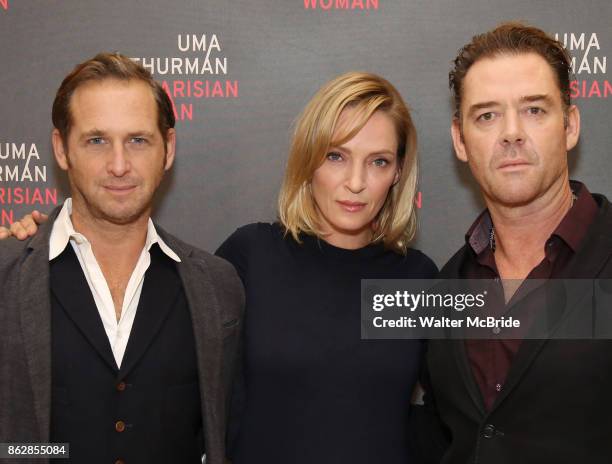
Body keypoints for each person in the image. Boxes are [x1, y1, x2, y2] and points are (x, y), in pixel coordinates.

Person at [5, 72, 438, 463]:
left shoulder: (421, 279)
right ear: (308, 158)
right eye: (336, 156)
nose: (356, 182)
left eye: (378, 161)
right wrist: (34, 245)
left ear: (399, 171)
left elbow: (461, 414)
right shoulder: (249, 257)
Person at [0, 53, 244, 464]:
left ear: (168, 149)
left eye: (138, 140)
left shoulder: (216, 287)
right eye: (97, 140)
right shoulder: (8, 274)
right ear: (61, 149)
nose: (119, 165)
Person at [418, 22, 612, 463]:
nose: (511, 133)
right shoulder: (449, 286)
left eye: (534, 110)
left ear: (570, 125)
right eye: (487, 115)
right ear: (460, 140)